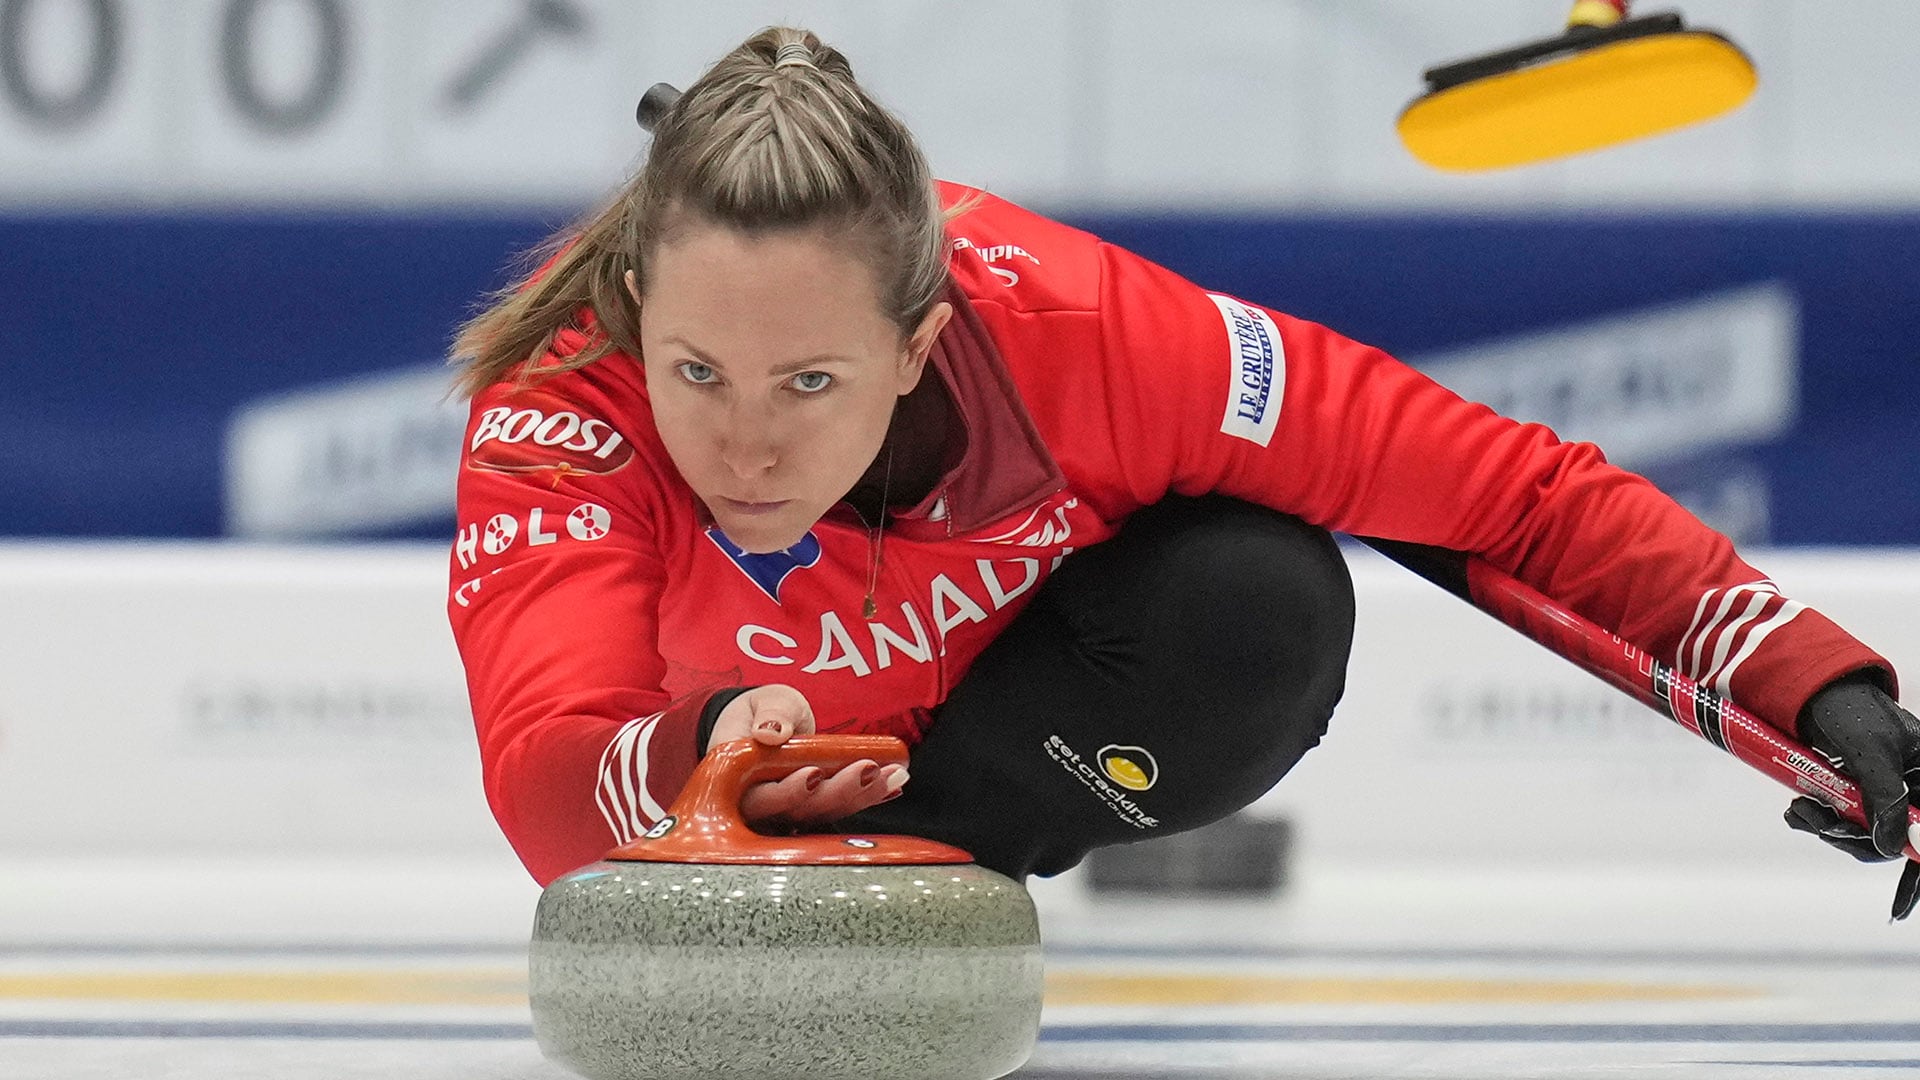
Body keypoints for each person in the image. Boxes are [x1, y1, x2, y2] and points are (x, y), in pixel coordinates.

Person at [446, 27, 1918, 917]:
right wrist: (704, 753)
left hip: (989, 748)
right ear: (639, 318)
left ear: (921, 343)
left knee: (1257, 596)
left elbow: (1504, 496)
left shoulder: (1093, 335)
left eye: (810, 381)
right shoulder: (562, 402)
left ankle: (949, 854)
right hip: (722, 774)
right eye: (696, 372)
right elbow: (542, 786)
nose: (746, 442)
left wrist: (1821, 690)